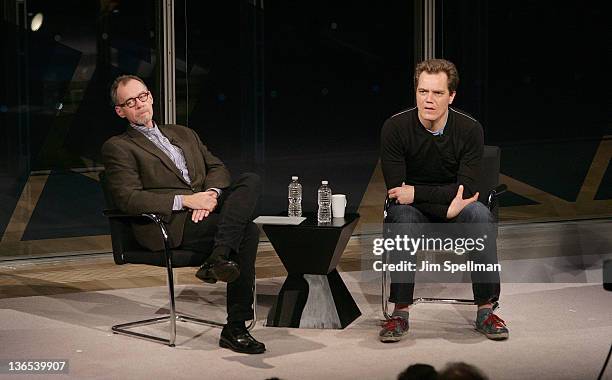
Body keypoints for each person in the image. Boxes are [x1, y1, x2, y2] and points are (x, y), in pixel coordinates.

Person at [101, 75, 265, 354]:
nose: (139, 105)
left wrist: (210, 197)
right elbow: (128, 199)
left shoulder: (184, 133)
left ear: (151, 97)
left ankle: (218, 256)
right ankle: (235, 325)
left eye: (142, 97)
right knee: (247, 231)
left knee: (250, 180)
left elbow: (218, 168)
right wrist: (187, 201)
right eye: (130, 102)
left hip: (205, 213)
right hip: (169, 222)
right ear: (121, 111)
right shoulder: (118, 147)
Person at [379, 59, 508, 342]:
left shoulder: (469, 129)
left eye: (437, 93)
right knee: (400, 218)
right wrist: (443, 205)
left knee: (480, 216)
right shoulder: (395, 128)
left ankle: (486, 310)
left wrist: (419, 194)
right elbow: (398, 194)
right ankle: (400, 312)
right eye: (423, 91)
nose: (428, 99)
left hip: (455, 209)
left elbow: (465, 190)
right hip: (414, 212)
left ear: (451, 96)